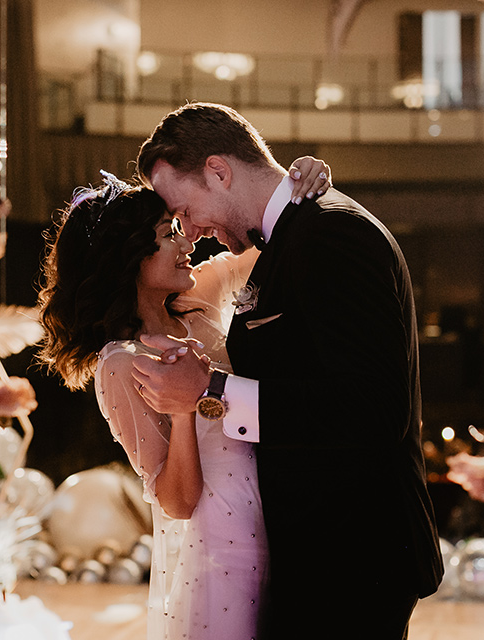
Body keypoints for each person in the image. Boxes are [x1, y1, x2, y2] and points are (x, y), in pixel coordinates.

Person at [131, 102, 443, 639]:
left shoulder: (331, 234)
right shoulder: (287, 239)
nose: (191, 230)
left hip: (352, 560)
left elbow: (374, 408)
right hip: (317, 556)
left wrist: (212, 390)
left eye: (184, 209)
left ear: (219, 171)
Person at [37, 157, 331, 640]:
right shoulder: (122, 363)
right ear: (129, 256)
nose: (187, 240)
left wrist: (303, 182)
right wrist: (181, 412)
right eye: (168, 231)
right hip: (222, 555)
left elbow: (273, 232)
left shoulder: (200, 301)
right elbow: (175, 499)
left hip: (285, 522)